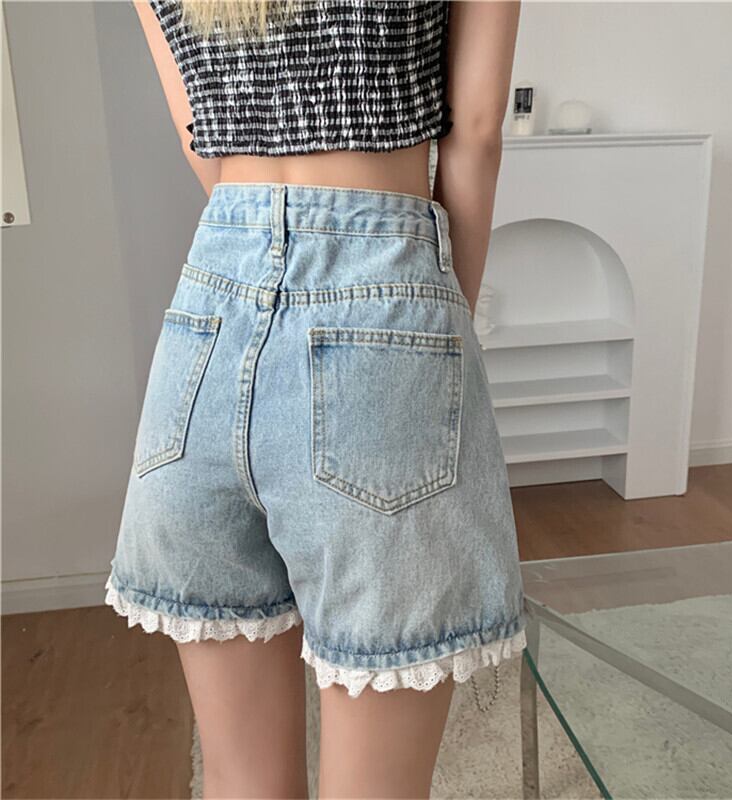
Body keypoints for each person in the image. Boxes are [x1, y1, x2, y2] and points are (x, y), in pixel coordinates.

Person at [104, 1, 525, 797]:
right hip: (381, 295)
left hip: (206, 319)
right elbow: (475, 134)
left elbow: (202, 142)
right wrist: (443, 325)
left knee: (239, 778)